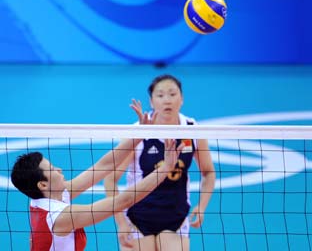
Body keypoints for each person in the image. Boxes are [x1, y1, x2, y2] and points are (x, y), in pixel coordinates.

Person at [10, 101, 184, 251]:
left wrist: (139, 135)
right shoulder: (61, 216)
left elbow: (103, 166)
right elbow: (123, 201)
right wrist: (165, 168)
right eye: (53, 169)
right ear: (43, 185)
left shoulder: (48, 196)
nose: (60, 169)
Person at [104, 74, 216, 251]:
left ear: (182, 99)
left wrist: (202, 206)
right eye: (160, 95)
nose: (167, 100)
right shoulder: (137, 133)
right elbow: (110, 179)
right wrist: (121, 223)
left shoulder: (193, 129)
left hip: (175, 217)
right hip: (137, 216)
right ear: (151, 101)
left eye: (172, 94)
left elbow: (208, 172)